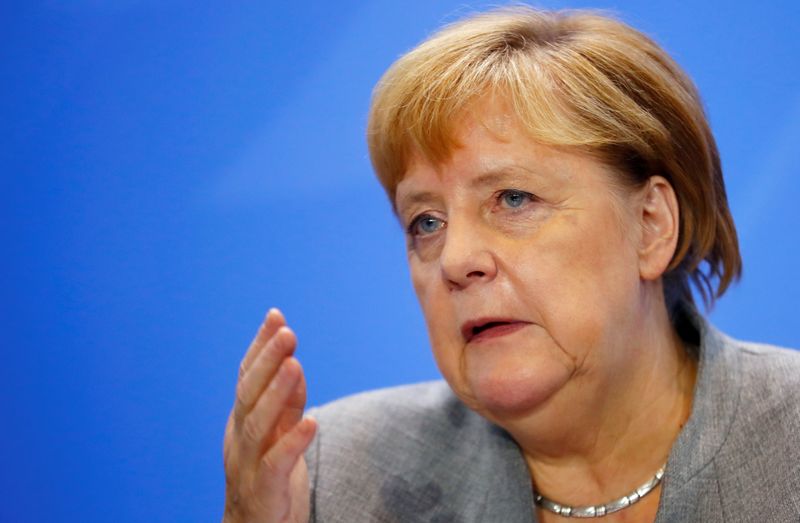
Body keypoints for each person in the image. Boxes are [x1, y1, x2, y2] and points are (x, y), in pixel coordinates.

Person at [221, 6, 800, 522]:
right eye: (426, 222)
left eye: (513, 199)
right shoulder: (335, 476)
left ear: (650, 227)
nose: (456, 259)